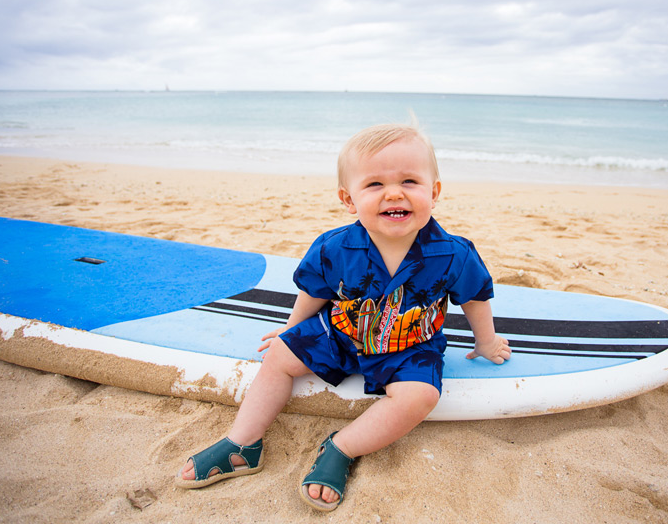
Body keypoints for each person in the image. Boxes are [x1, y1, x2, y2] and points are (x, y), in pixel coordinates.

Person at [175, 121, 511, 511]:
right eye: (374, 185)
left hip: (410, 345)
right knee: (278, 358)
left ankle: (341, 447)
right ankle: (242, 444)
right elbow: (313, 292)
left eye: (409, 181)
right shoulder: (334, 247)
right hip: (342, 331)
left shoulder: (454, 254)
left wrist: (485, 340)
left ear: (433, 193)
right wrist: (290, 332)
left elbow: (474, 297)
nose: (394, 193)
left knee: (421, 396)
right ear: (348, 199)